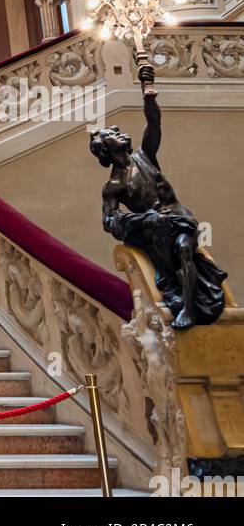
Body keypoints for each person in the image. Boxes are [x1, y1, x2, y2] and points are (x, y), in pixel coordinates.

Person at [90, 63, 226, 329]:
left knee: (185, 250)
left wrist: (148, 92)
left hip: (179, 217)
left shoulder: (145, 156)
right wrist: (135, 221)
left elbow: (154, 123)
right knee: (171, 245)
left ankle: (187, 306)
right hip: (157, 227)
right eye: (113, 135)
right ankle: (175, 286)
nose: (120, 134)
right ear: (105, 148)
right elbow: (109, 222)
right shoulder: (113, 185)